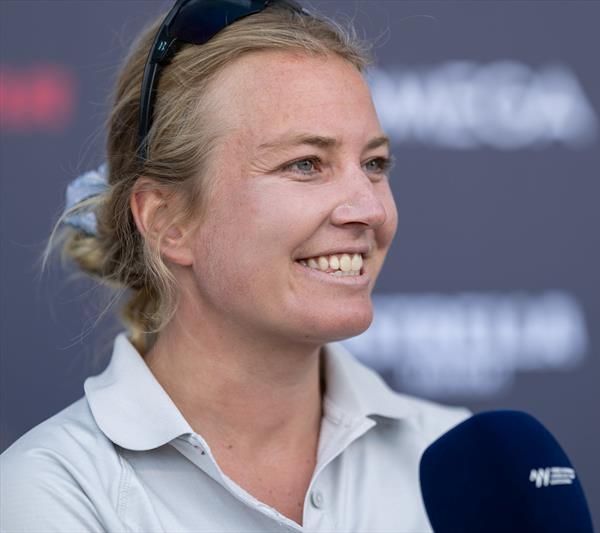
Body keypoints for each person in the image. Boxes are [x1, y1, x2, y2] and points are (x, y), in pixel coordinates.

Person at [0, 1, 470, 531]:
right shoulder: (55, 492)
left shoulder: (461, 465)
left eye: (374, 164)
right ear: (168, 221)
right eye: (305, 164)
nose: (370, 209)